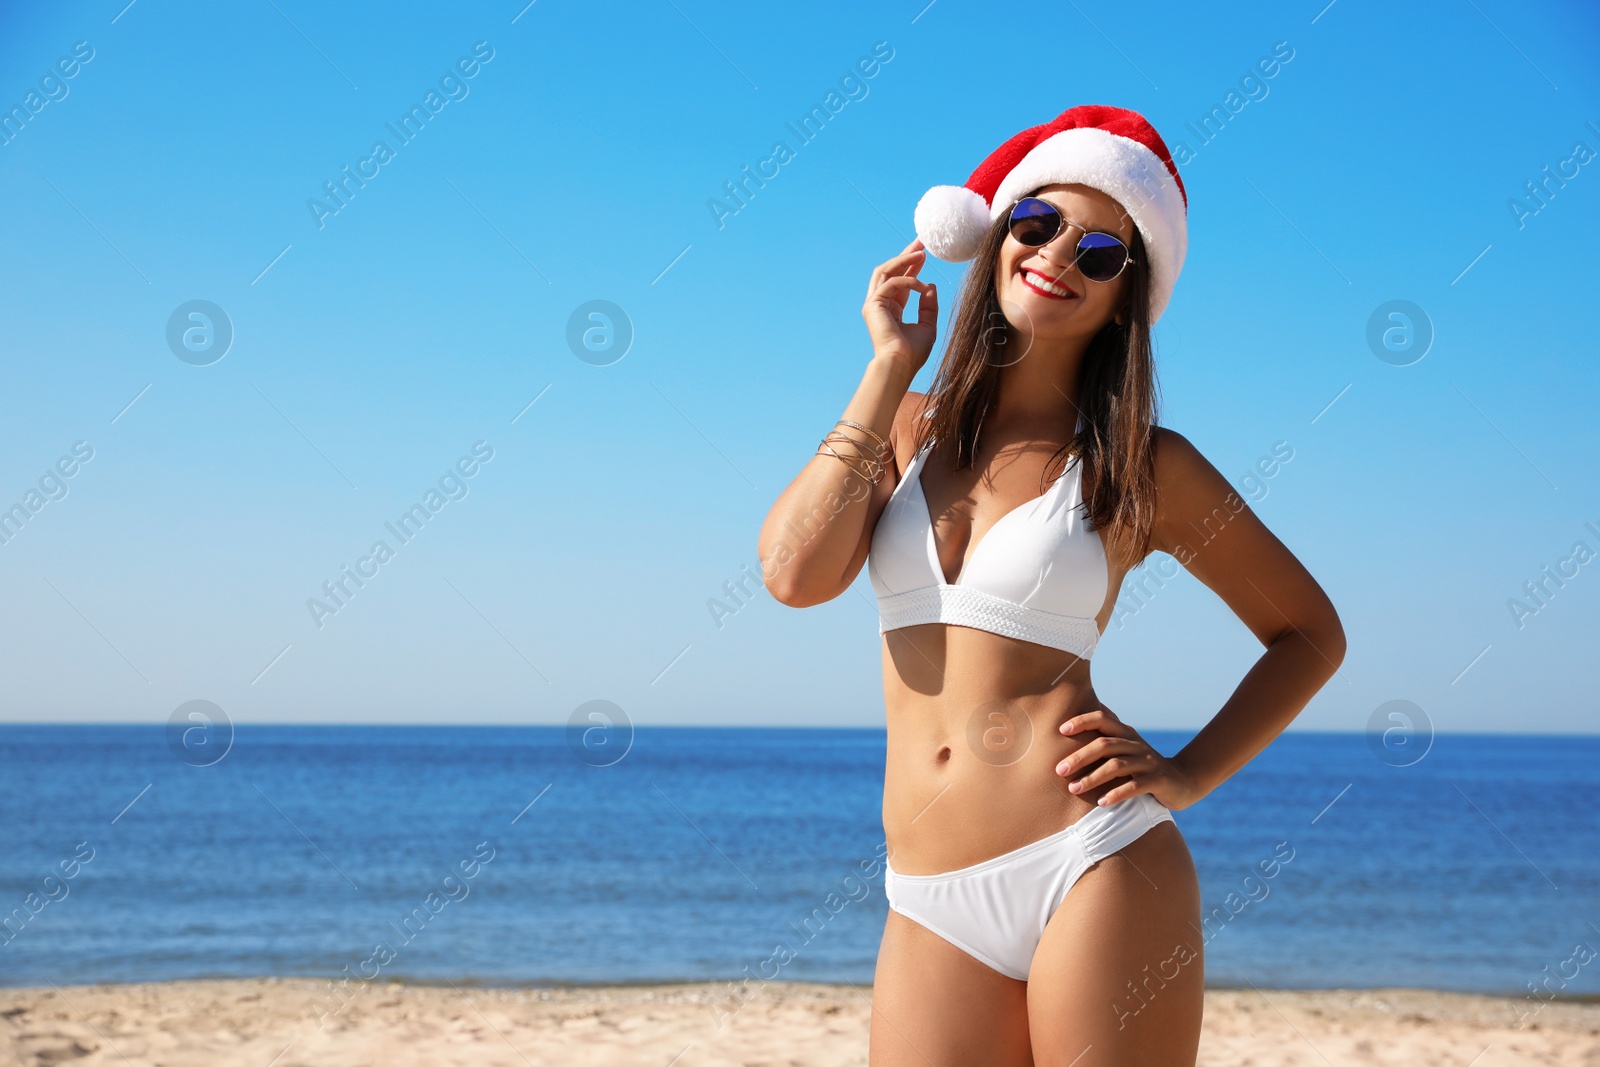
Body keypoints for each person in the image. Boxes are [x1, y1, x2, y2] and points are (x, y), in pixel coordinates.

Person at [757, 104, 1346, 1066]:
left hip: (1093, 861)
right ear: (994, 236)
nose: (1061, 254)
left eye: (1103, 251)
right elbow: (792, 573)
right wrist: (886, 369)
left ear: (1126, 295)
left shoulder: (1145, 466)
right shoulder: (906, 429)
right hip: (928, 887)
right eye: (1037, 224)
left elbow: (1311, 634)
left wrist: (1189, 774)